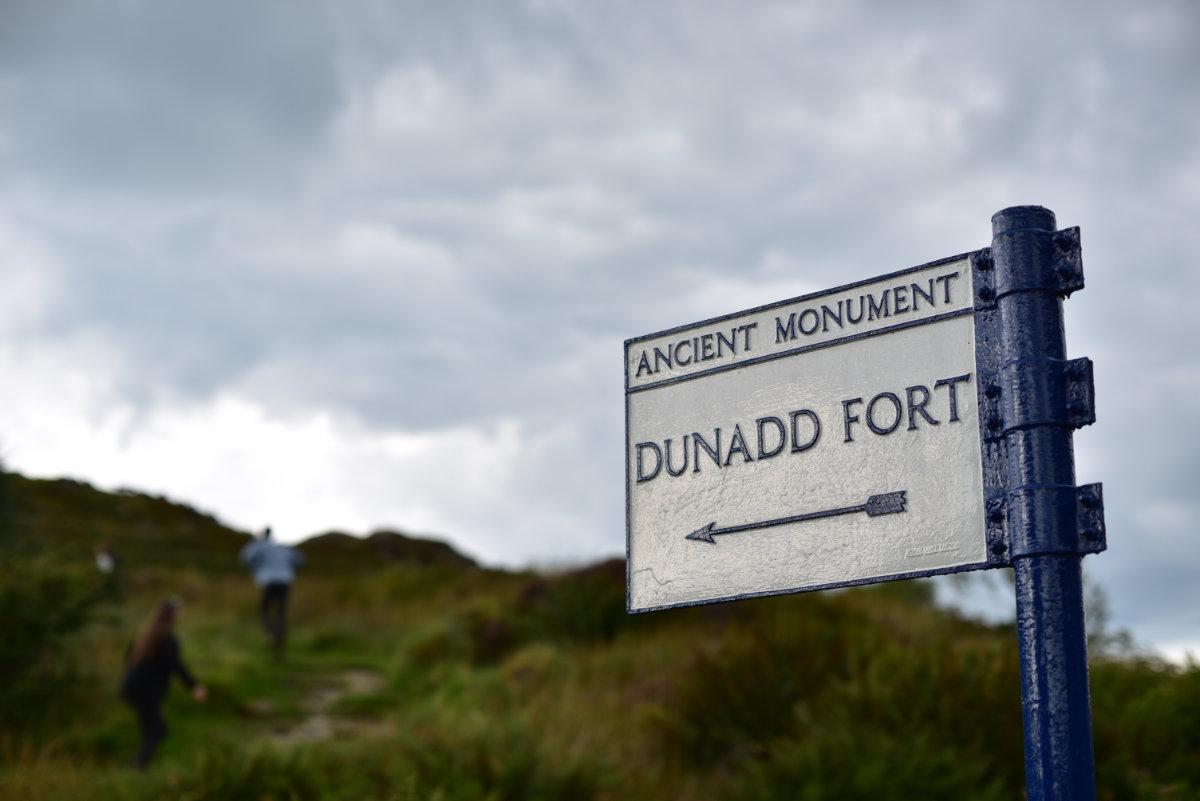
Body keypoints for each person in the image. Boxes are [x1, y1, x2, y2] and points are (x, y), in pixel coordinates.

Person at [120, 598, 206, 769]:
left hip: (133, 688)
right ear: (173, 615)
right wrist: (193, 686)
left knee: (153, 729)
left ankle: (140, 765)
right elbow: (175, 665)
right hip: (145, 692)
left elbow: (128, 658)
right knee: (158, 730)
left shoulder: (146, 634)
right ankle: (138, 766)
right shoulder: (166, 638)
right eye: (179, 612)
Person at [239, 526, 305, 655]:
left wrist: (255, 568)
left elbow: (245, 558)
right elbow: (300, 560)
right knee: (281, 612)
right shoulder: (282, 547)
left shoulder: (257, 546)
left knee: (264, 610)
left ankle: (272, 633)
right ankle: (279, 644)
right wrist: (289, 569)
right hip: (285, 581)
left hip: (268, 581)